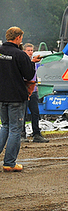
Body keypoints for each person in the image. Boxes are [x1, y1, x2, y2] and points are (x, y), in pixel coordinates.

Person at [0, 27, 39, 172]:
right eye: (21, 38)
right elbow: (28, 75)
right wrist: (32, 63)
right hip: (16, 96)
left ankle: (8, 161)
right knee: (15, 129)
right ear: (17, 38)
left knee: (5, 126)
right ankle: (9, 163)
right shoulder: (19, 54)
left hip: (1, 95)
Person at [22, 43, 48, 143]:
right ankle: (22, 134)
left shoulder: (35, 63)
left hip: (33, 91)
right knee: (23, 114)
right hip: (24, 91)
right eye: (28, 50)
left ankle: (36, 134)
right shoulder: (22, 62)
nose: (30, 52)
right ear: (24, 51)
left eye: (32, 50)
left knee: (35, 113)